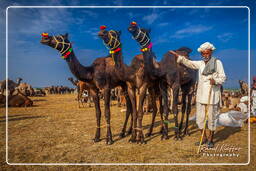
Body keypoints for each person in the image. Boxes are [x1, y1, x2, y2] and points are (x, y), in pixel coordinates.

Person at [169, 42, 226, 148]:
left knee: (212, 118)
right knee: (200, 119)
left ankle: (211, 139)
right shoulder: (200, 63)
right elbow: (189, 63)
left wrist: (216, 80)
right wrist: (179, 57)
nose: (205, 55)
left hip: (212, 95)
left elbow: (223, 77)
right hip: (201, 95)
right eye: (203, 53)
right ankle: (203, 137)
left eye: (207, 53)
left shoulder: (217, 63)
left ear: (211, 52)